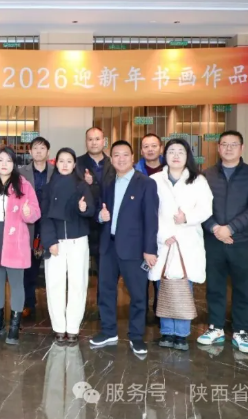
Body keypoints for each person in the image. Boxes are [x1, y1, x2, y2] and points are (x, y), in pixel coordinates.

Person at [197, 131, 248, 354]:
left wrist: (231, 228)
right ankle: (215, 327)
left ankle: (240, 331)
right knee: (214, 287)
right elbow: (199, 208)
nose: (228, 148)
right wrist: (215, 228)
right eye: (224, 144)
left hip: (242, 241)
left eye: (233, 144)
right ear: (218, 148)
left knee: (242, 288)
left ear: (242, 148)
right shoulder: (206, 175)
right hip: (213, 241)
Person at [90, 140, 158, 355]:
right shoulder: (108, 182)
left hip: (134, 248)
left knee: (138, 294)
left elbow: (151, 219)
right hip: (108, 246)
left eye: (125, 155)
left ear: (133, 157)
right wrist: (100, 217)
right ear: (111, 159)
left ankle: (136, 336)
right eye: (116, 155)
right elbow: (99, 210)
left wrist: (150, 249)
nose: (121, 159)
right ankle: (108, 331)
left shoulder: (146, 183)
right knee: (106, 291)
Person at [148, 139, 213, 351]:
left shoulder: (199, 180)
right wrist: (162, 234)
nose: (176, 156)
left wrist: (186, 218)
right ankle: (167, 332)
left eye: (181, 152)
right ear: (164, 155)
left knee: (184, 287)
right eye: (171, 151)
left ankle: (182, 334)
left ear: (187, 156)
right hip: (163, 241)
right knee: (163, 287)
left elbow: (206, 209)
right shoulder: (154, 180)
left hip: (187, 241)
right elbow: (149, 211)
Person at [0, 147, 41, 345]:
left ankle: (14, 327)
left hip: (16, 239)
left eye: (8, 160)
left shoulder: (24, 185)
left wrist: (28, 212)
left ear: (14, 164)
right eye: (0, 160)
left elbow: (35, 213)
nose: (4, 164)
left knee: (16, 284)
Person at [40, 148, 94, 344]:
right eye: (61, 161)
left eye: (69, 161)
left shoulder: (82, 185)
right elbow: (44, 216)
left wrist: (83, 208)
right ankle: (58, 327)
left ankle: (73, 328)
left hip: (78, 241)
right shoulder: (48, 187)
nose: (65, 164)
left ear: (74, 164)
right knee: (54, 284)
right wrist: (49, 241)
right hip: (56, 243)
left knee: (78, 284)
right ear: (56, 163)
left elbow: (91, 210)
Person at [75, 127, 115, 314]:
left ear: (103, 141)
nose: (94, 142)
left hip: (106, 223)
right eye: (90, 139)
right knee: (80, 268)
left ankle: (103, 307)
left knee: (105, 269)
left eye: (97, 139)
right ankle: (79, 306)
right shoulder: (77, 163)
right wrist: (85, 184)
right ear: (86, 142)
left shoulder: (113, 162)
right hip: (83, 222)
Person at [18, 136, 54, 319]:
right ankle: (28, 303)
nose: (39, 152)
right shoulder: (21, 172)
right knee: (29, 267)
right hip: (29, 224)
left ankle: (54, 306)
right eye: (35, 148)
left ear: (48, 152)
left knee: (53, 265)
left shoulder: (56, 171)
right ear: (30, 152)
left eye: (42, 148)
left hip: (50, 223)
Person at [134, 133, 165, 320]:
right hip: (141, 231)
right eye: (146, 146)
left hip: (166, 230)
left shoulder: (171, 169)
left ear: (161, 148)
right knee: (141, 276)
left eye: (154, 146)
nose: (150, 149)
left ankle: (162, 313)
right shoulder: (134, 172)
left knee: (163, 275)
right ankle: (142, 315)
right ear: (141, 150)